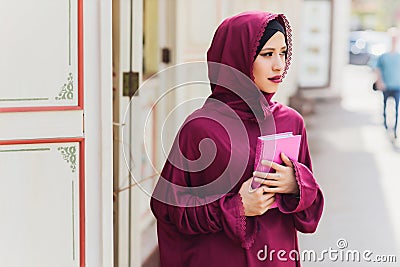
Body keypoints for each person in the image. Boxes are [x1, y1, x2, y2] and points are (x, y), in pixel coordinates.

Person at [151, 11, 324, 266]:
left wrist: (295, 184)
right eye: (267, 54)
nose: (279, 65)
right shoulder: (201, 128)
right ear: (237, 59)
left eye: (283, 53)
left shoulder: (291, 121)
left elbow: (311, 206)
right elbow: (168, 208)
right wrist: (236, 208)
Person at [374, 28, 400, 139]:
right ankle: (385, 126)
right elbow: (377, 69)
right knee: (385, 107)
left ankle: (394, 129)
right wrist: (380, 82)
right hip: (386, 86)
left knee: (396, 109)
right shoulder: (383, 55)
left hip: (397, 86)